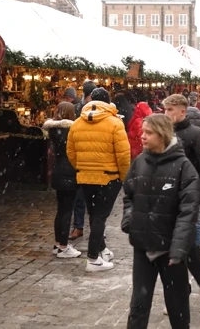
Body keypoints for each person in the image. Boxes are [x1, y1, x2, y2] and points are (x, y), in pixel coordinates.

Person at [123, 114, 200, 328]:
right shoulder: (140, 162)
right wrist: (129, 220)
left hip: (170, 251)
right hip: (143, 246)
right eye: (143, 132)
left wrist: (178, 249)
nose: (142, 136)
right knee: (138, 305)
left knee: (177, 307)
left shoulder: (184, 167)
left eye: (148, 133)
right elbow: (128, 194)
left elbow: (188, 212)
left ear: (162, 135)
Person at [67, 88, 131, 272]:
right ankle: (93, 258)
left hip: (85, 176)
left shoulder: (77, 123)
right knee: (100, 217)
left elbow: (71, 152)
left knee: (94, 214)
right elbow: (123, 155)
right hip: (108, 177)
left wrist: (82, 167)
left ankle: (102, 250)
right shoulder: (115, 123)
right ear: (108, 102)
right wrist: (123, 177)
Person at [163, 95, 200, 308]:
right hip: (167, 199)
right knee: (170, 248)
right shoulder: (163, 133)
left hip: (190, 199)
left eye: (170, 110)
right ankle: (179, 292)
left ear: (182, 111)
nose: (166, 114)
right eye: (165, 110)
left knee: (190, 246)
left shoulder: (197, 135)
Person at [43, 102, 82, 259]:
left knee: (61, 210)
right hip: (69, 172)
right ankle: (64, 246)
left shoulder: (53, 130)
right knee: (67, 210)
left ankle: (58, 243)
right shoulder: (71, 130)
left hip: (58, 171)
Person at [69, 81, 97, 240]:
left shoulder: (100, 109)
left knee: (93, 199)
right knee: (80, 197)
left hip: (95, 158)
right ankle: (78, 227)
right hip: (82, 159)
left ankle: (95, 228)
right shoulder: (78, 109)